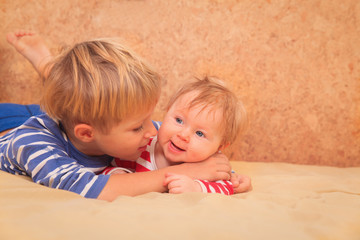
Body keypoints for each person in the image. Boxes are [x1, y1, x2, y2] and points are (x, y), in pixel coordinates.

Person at [0, 30, 233, 201]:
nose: (153, 130)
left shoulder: (104, 126)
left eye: (147, 119)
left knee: (73, 97)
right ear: (88, 134)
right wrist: (186, 172)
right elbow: (96, 189)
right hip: (10, 124)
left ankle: (48, 66)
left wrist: (220, 169)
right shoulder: (37, 147)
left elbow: (184, 137)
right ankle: (46, 64)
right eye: (138, 127)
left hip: (61, 118)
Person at [102, 77, 252, 195]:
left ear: (219, 146)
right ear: (167, 112)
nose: (183, 135)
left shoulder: (209, 163)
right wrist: (117, 172)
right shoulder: (144, 147)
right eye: (179, 120)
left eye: (200, 133)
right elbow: (110, 168)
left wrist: (196, 187)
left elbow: (226, 186)